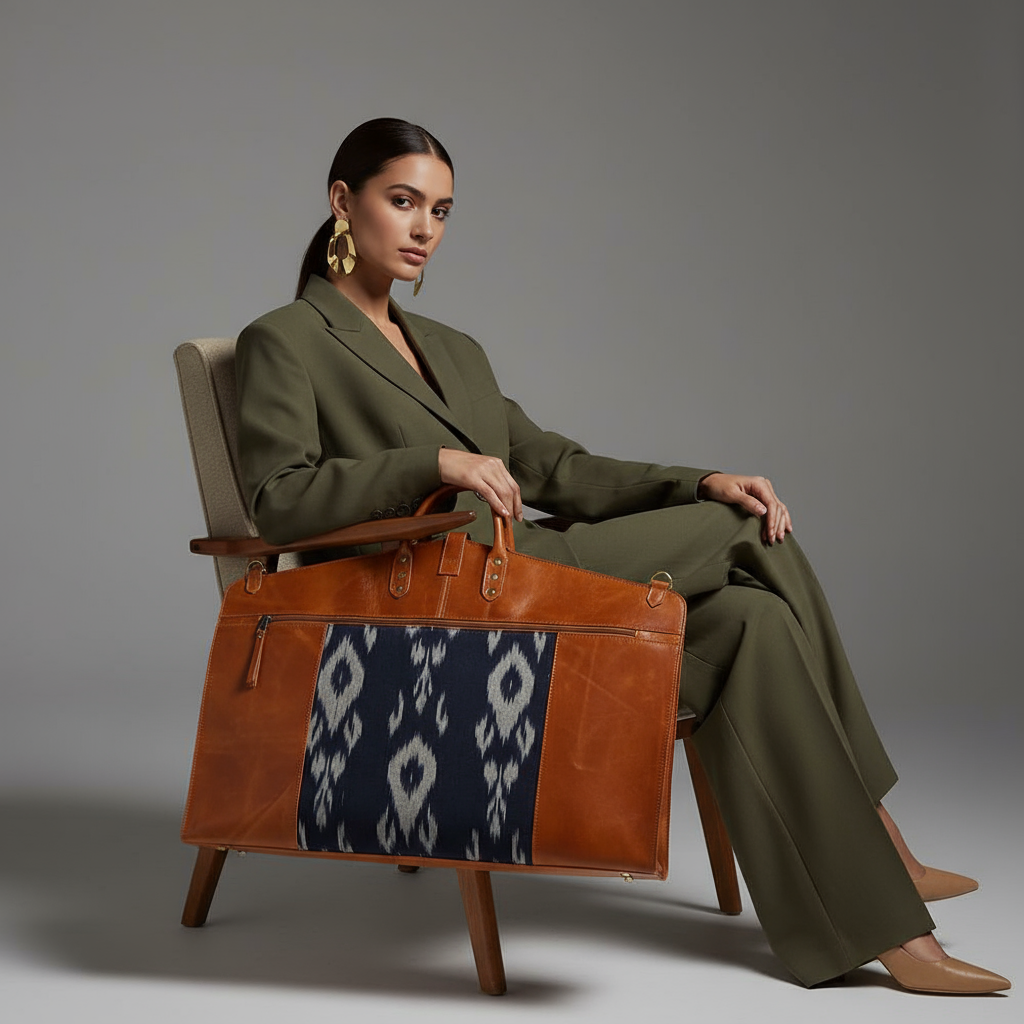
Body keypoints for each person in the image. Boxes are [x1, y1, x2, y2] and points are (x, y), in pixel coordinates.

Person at [234, 117, 1009, 994]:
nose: (424, 230)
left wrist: (701, 479)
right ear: (344, 201)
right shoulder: (285, 339)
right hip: (434, 600)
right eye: (402, 201)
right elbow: (279, 502)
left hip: (527, 569)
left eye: (442, 211)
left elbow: (558, 467)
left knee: (747, 620)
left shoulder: (453, 349)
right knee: (750, 536)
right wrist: (433, 463)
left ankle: (877, 923)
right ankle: (884, 838)